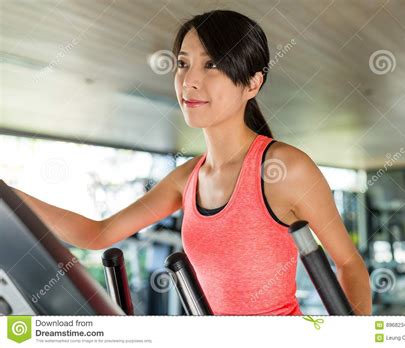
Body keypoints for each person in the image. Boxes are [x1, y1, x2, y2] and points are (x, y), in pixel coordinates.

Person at [8, 10, 371, 316]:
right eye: (183, 64)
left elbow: (349, 265)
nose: (189, 80)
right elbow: (97, 234)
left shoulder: (283, 169)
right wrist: (7, 196)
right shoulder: (187, 179)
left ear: (253, 83)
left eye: (211, 64)